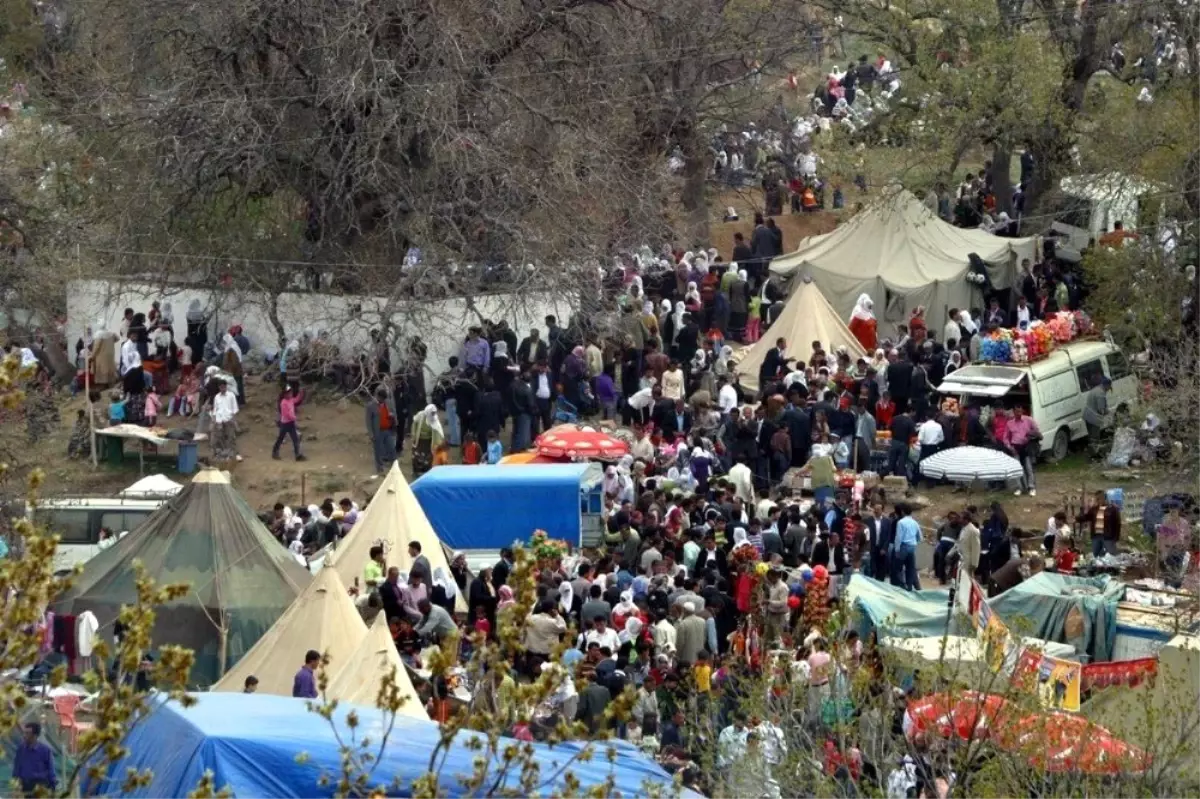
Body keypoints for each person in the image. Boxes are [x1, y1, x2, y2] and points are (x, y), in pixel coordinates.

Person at [1003, 406, 1041, 497]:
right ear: (1014, 412)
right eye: (1017, 412)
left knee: (1028, 468)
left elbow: (1037, 431)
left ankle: (1031, 487)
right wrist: (1009, 447)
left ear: (1022, 411)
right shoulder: (1010, 423)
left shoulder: (1029, 420)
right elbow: (1005, 438)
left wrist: (1031, 436)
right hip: (1015, 448)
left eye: (1020, 412)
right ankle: (1019, 488)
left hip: (1026, 447)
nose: (1019, 414)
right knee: (1018, 469)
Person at [13, 722, 56, 794]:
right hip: (24, 786)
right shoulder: (20, 749)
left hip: (40, 787)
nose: (24, 735)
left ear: (35, 735)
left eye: (27, 733)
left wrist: (53, 788)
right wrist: (15, 785)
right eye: (24, 733)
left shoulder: (45, 750)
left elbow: (51, 770)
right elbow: (16, 768)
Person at [272, 384, 307, 461]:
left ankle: (297, 455)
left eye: (290, 392)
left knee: (295, 439)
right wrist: (294, 417)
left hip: (290, 423)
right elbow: (286, 414)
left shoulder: (291, 400)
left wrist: (300, 394)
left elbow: (296, 400)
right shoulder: (283, 403)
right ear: (284, 394)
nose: (289, 394)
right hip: (285, 424)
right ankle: (275, 452)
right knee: (280, 439)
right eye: (288, 393)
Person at [366, 388, 396, 475]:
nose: (383, 401)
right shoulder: (371, 406)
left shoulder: (387, 403)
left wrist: (392, 417)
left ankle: (394, 466)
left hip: (387, 430)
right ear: (378, 396)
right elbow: (368, 421)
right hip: (377, 432)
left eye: (384, 399)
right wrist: (371, 434)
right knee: (378, 451)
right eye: (381, 399)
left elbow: (392, 412)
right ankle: (379, 468)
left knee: (391, 448)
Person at [210, 379, 241, 463]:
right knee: (220, 438)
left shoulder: (231, 396)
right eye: (221, 387)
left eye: (224, 387)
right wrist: (214, 421)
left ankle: (236, 454)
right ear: (219, 387)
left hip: (229, 419)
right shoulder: (217, 397)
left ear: (226, 386)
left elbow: (234, 409)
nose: (222, 388)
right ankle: (224, 455)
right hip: (219, 420)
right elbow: (215, 410)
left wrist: (234, 420)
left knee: (231, 437)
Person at [411, 404, 445, 477]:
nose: (433, 414)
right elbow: (414, 423)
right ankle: (416, 471)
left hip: (429, 441)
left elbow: (437, 430)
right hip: (419, 440)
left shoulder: (434, 418)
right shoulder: (420, 415)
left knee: (428, 457)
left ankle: (426, 472)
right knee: (417, 455)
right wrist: (413, 433)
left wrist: (438, 442)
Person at [892, 503, 920, 590]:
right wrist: (914, 542)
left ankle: (902, 586)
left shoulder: (901, 522)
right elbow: (920, 537)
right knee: (910, 569)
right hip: (912, 547)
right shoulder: (915, 522)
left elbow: (899, 537)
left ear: (903, 512)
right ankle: (909, 587)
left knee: (897, 568)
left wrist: (897, 549)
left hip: (903, 547)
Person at [1082, 376, 1111, 457]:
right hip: (1094, 418)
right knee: (1095, 437)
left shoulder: (1095, 389)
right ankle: (1096, 455)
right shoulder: (1101, 393)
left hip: (1087, 416)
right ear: (1107, 385)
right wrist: (1108, 413)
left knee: (1091, 437)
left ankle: (1091, 454)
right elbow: (1101, 410)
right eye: (1109, 387)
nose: (1109, 390)